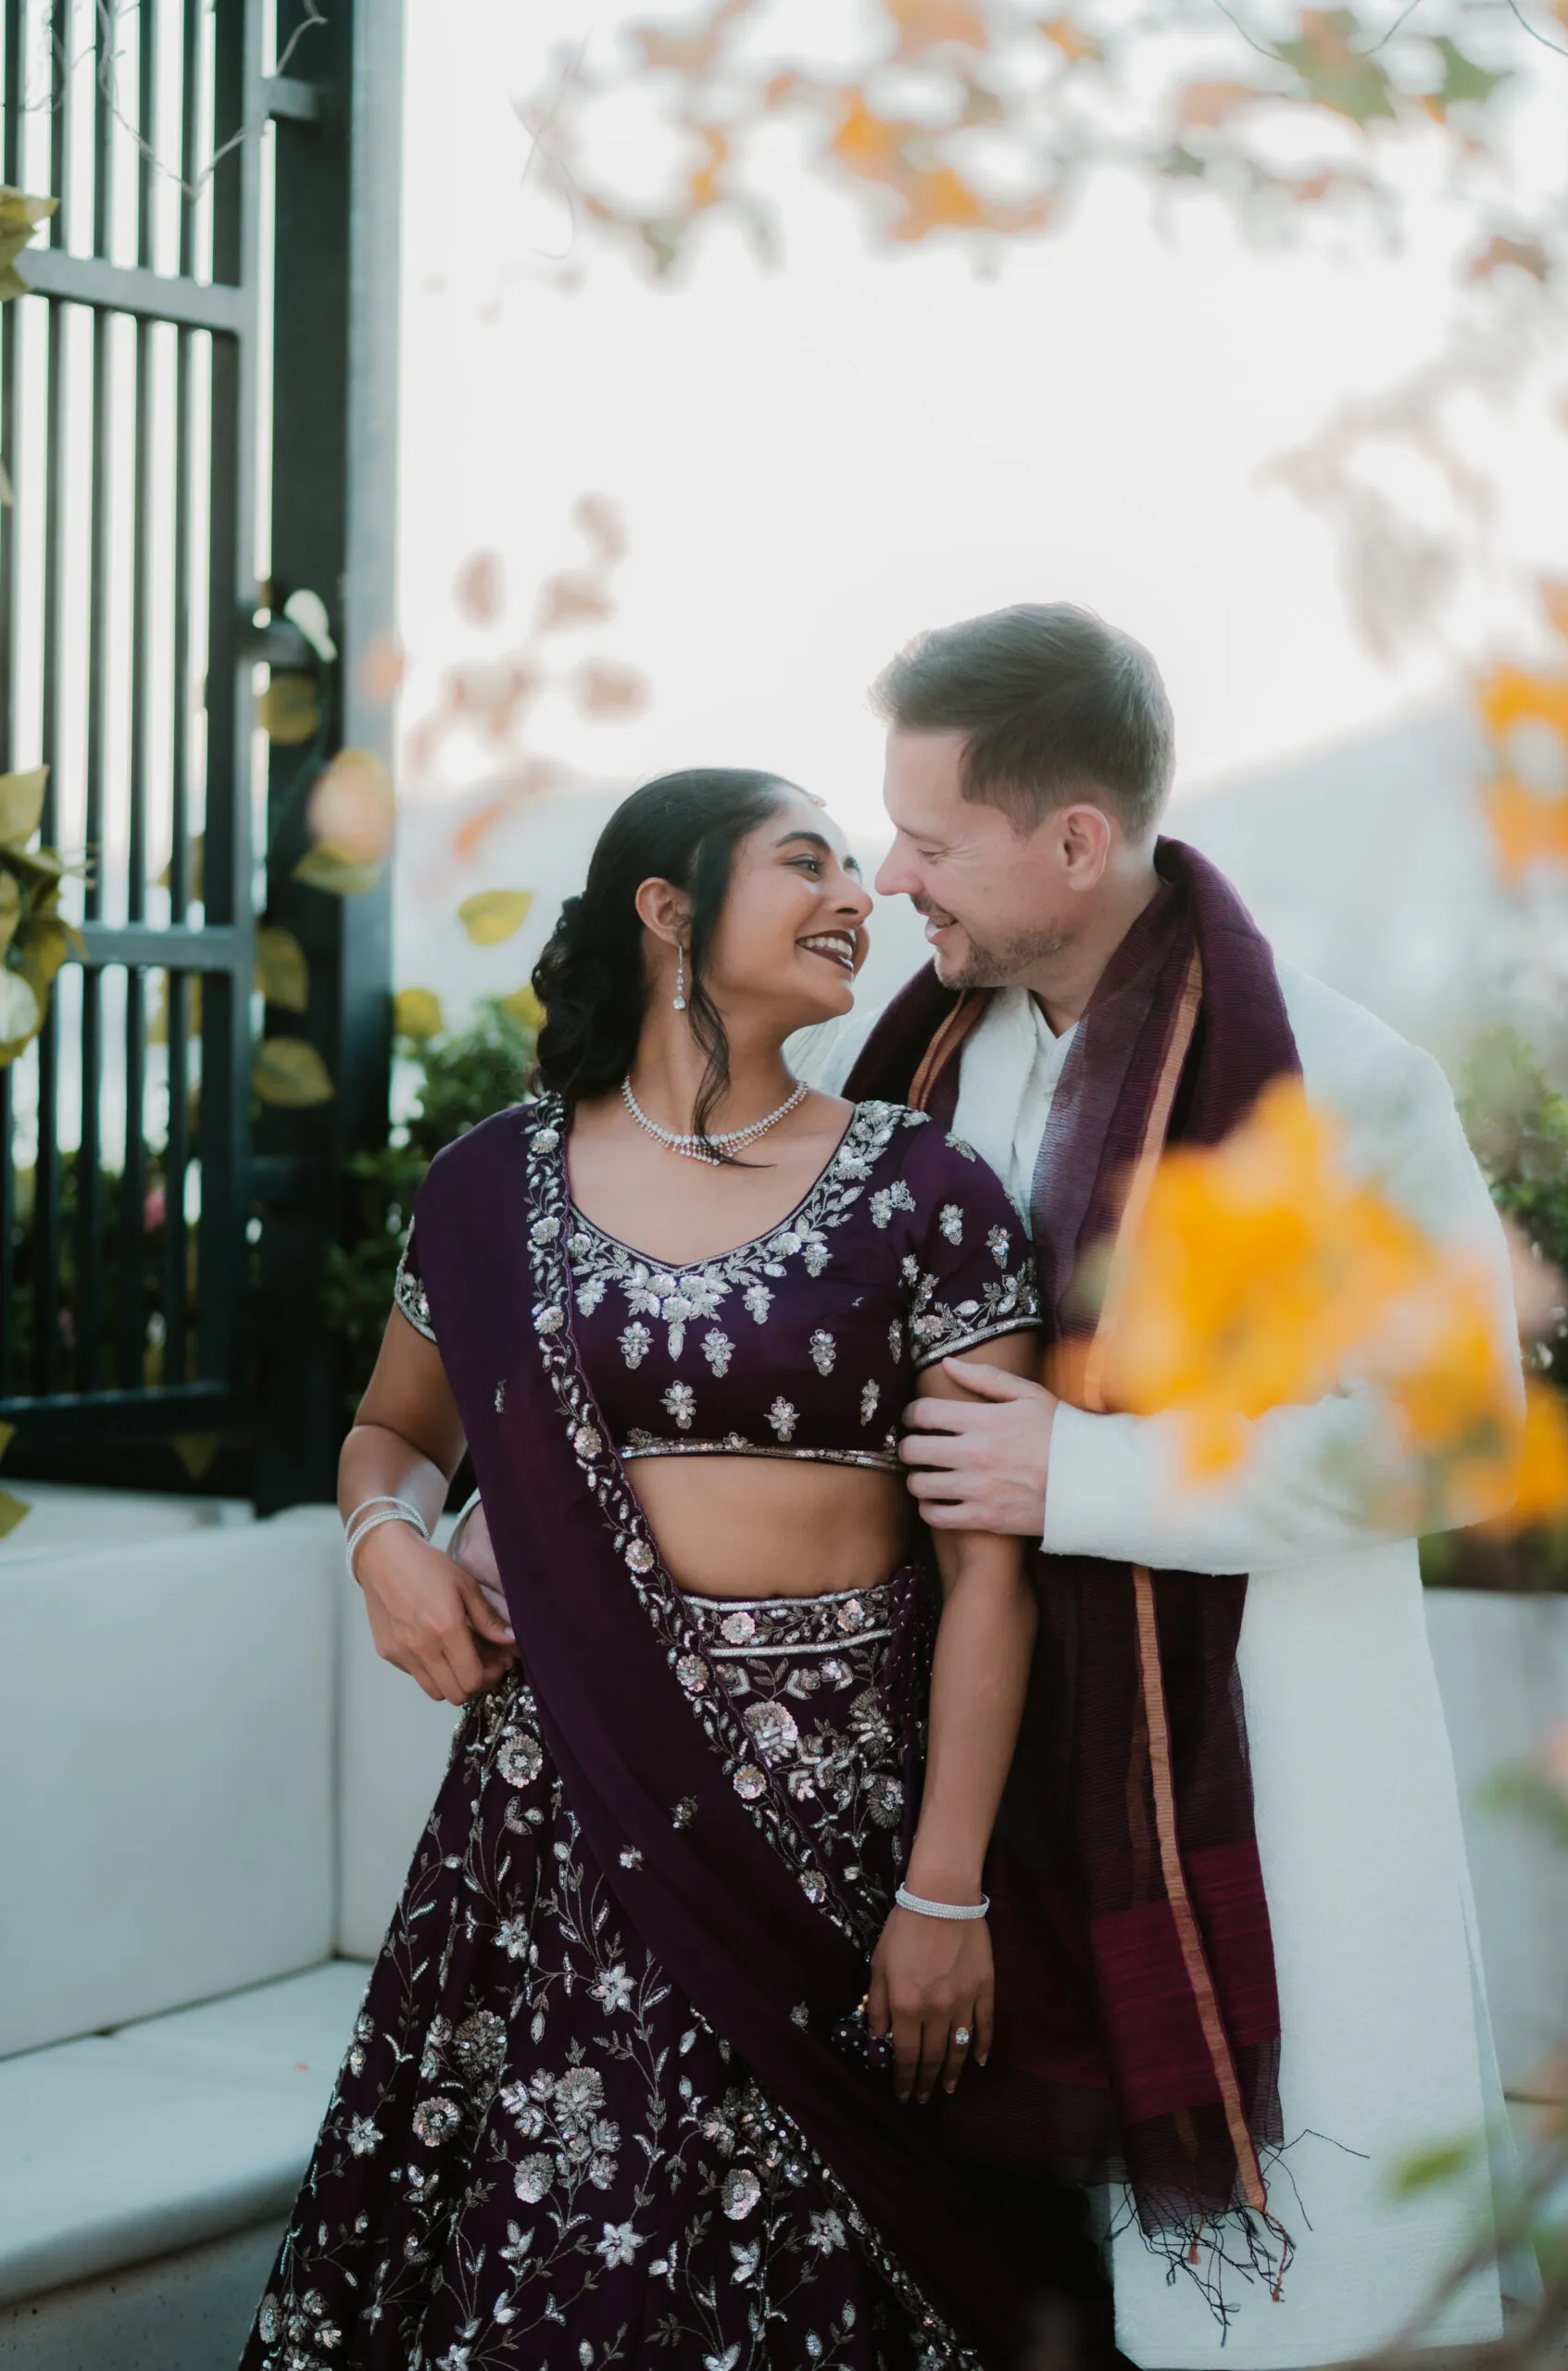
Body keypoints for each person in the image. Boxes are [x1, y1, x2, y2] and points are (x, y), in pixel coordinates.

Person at [241, 768, 1121, 2371]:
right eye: (807, 861)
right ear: (665, 909)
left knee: (817, 2264)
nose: (857, 894)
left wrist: (944, 1889)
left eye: (858, 866)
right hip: (555, 1816)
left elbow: (991, 1580)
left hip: (830, 1833)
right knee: (560, 2262)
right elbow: (392, 1434)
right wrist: (384, 1545)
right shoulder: (489, 1187)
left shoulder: (922, 1189)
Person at [823, 604, 1524, 2371]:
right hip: (950, 1775)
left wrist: (1088, 1473)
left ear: (1075, 841)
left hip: (1248, 1770)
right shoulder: (903, 1074)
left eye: (930, 840)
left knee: (1262, 2323)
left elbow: (1457, 1432)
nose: (891, 876)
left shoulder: (1343, 1089)